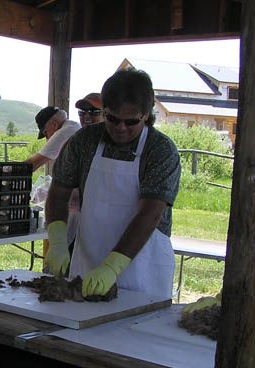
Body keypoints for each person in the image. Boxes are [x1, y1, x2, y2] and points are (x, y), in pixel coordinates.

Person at [45, 69, 181, 300]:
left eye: (131, 121)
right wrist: (57, 239)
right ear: (105, 111)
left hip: (143, 267)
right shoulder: (83, 141)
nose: (121, 127)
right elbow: (58, 195)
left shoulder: (160, 150)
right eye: (112, 118)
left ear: (146, 115)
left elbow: (150, 214)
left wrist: (112, 267)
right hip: (88, 261)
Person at [25, 107, 80, 173]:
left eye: (45, 132)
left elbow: (33, 164)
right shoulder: (74, 125)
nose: (47, 138)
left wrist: (9, 171)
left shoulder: (63, 133)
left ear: (54, 125)